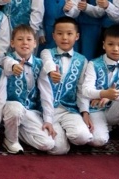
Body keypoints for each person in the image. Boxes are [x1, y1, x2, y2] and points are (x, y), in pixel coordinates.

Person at [81, 25, 119, 161]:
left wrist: (111, 96)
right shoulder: (93, 64)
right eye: (111, 44)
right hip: (96, 108)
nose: (115, 49)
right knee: (98, 141)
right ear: (104, 45)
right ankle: (106, 127)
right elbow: (86, 89)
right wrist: (103, 93)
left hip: (116, 108)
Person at [39, 16, 92, 155]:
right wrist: (51, 71)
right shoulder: (46, 52)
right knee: (59, 149)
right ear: (53, 36)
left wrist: (85, 112)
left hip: (69, 110)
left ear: (77, 36)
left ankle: (69, 132)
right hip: (48, 109)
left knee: (83, 137)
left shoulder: (82, 60)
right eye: (60, 33)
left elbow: (81, 89)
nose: (64, 37)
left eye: (69, 33)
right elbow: (47, 62)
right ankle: (61, 136)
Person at [1, 25, 56, 154]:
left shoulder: (39, 64)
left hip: (29, 111)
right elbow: (8, 64)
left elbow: (46, 92)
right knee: (15, 109)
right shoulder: (7, 59)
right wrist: (14, 66)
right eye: (20, 39)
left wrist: (48, 120)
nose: (25, 42)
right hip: (9, 109)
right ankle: (10, 140)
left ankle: (15, 131)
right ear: (12, 43)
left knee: (48, 144)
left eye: (29, 39)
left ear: (35, 43)